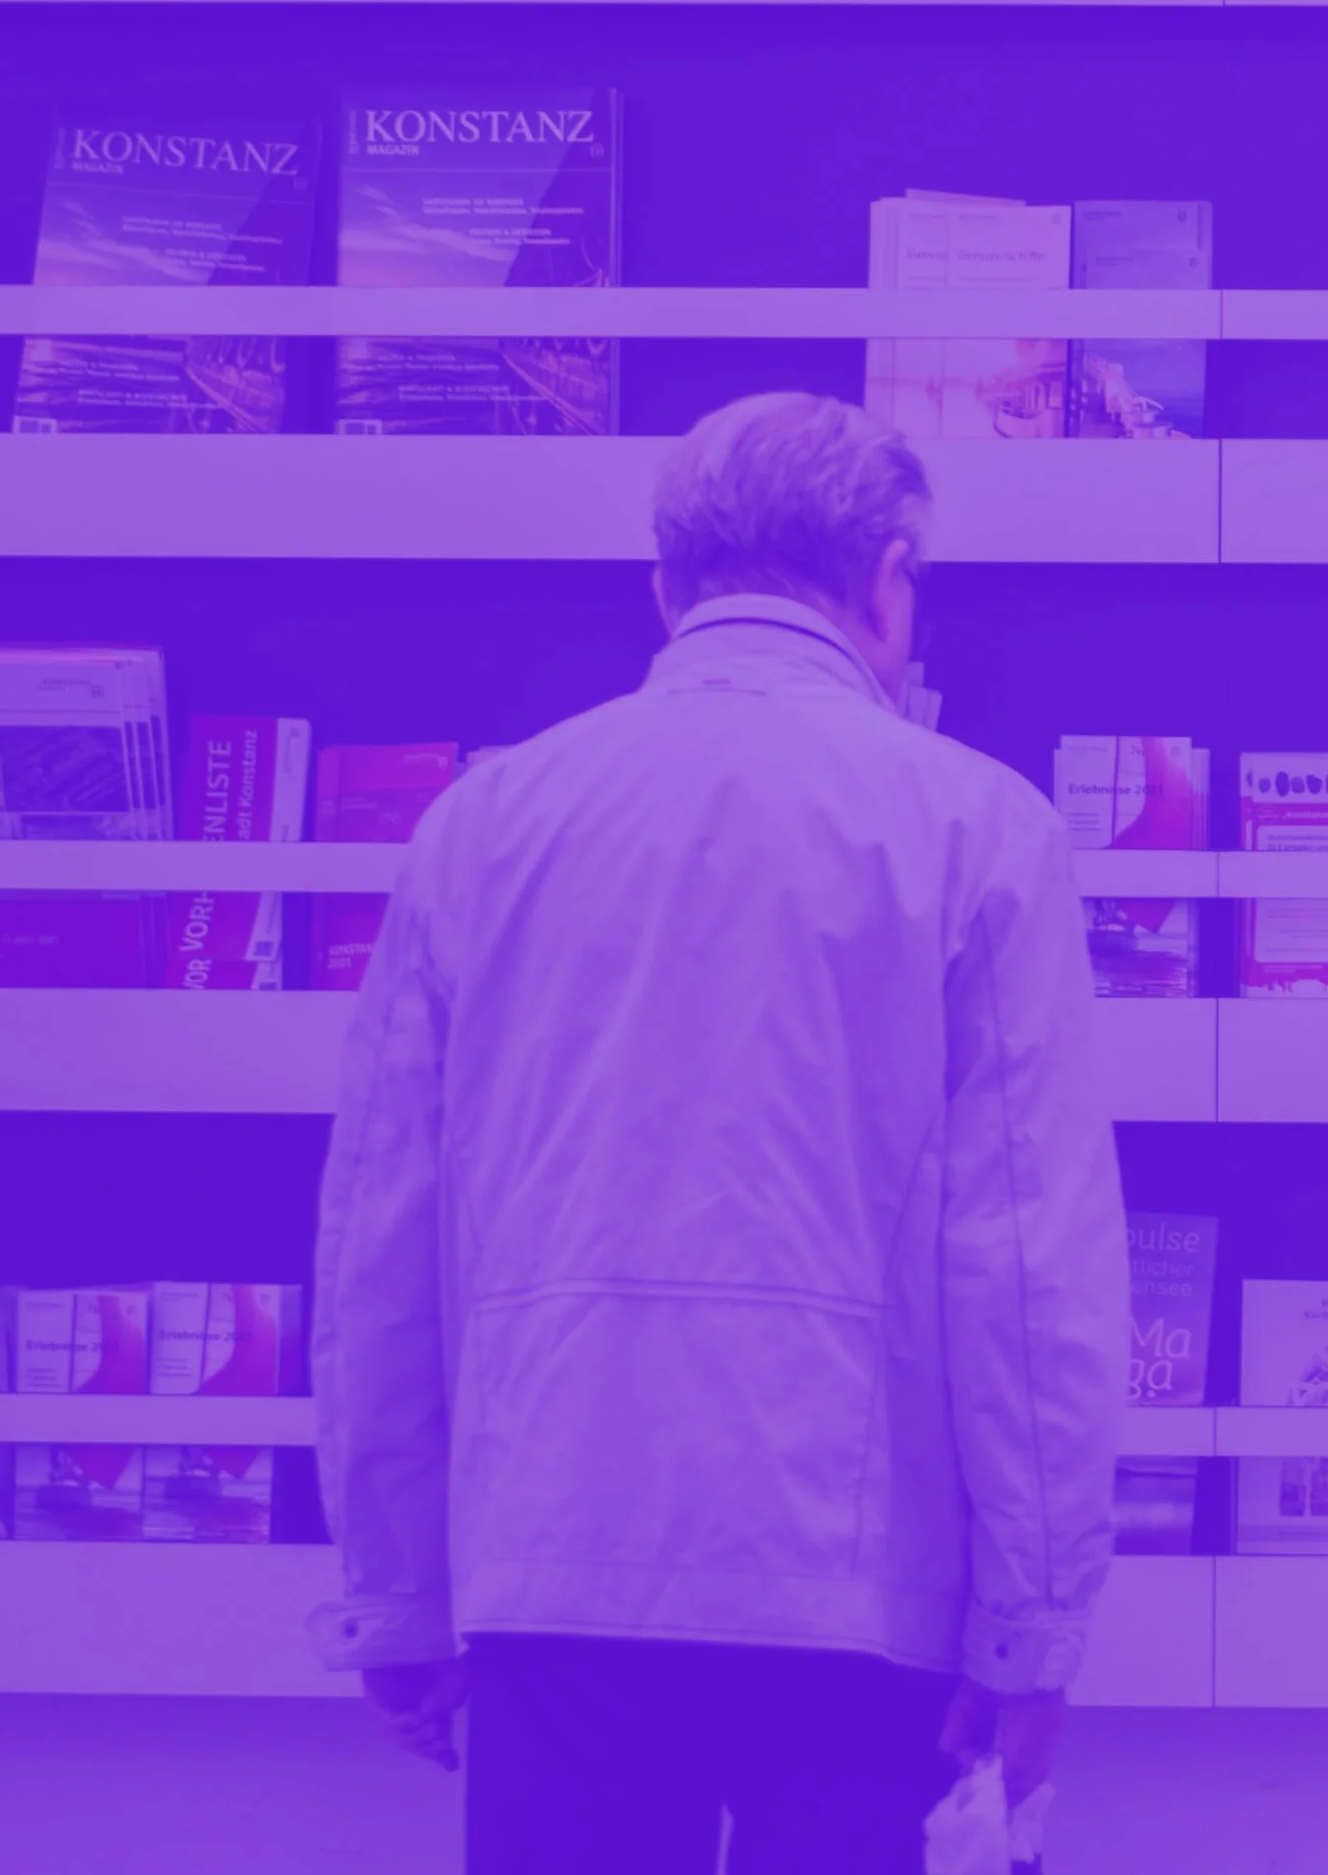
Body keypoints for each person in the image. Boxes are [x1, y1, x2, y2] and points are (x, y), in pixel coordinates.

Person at [309, 392, 1128, 1872]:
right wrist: (1034, 1621)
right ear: (890, 577)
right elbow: (1029, 1271)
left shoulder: (483, 826)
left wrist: (395, 1592)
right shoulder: (977, 829)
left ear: (666, 585)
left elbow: (382, 1240)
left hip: (554, 1568)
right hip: (861, 1591)